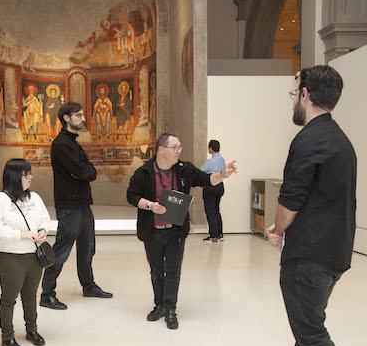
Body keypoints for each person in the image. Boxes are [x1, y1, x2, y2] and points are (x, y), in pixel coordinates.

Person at [269, 66, 367, 346]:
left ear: (306, 95)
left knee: (311, 332)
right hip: (334, 250)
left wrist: (278, 229)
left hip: (309, 254)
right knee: (307, 325)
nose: (293, 100)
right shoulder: (340, 138)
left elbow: (292, 198)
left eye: (294, 92)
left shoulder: (309, 139)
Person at [126, 133, 237, 329]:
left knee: (174, 271)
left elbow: (205, 179)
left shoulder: (184, 170)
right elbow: (132, 196)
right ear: (161, 150)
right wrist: (151, 206)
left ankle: (170, 308)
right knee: (156, 272)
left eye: (180, 147)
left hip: (176, 231)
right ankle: (159, 305)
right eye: (175, 147)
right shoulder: (144, 172)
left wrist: (223, 174)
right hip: (152, 230)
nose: (179, 151)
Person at [40, 102, 113, 310]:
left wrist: (86, 170)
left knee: (87, 248)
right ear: (66, 118)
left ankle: (88, 285)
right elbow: (82, 172)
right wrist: (86, 171)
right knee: (62, 250)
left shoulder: (74, 144)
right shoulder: (61, 144)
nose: (83, 119)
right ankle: (47, 293)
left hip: (82, 205)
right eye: (78, 115)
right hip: (69, 205)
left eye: (83, 115)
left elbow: (88, 170)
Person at [0, 159, 51, 346]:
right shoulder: (0, 200)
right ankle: (7, 336)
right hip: (10, 256)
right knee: (9, 298)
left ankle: (32, 329)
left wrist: (42, 231)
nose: (30, 177)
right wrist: (21, 235)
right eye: (26, 174)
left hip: (34, 256)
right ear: (15, 177)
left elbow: (45, 219)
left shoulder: (35, 198)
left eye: (30, 173)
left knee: (30, 295)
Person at [199, 139, 226, 242]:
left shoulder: (210, 161)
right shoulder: (222, 160)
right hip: (220, 186)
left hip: (210, 187)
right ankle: (219, 234)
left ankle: (213, 235)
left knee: (210, 211)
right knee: (216, 210)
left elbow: (200, 172)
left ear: (210, 148)